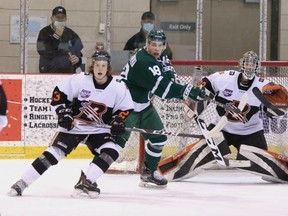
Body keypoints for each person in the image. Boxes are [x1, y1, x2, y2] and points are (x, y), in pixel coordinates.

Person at [8, 51, 134, 198]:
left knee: (111, 151)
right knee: (53, 154)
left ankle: (87, 181)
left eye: (104, 66)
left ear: (108, 68)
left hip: (98, 130)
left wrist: (118, 119)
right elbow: (58, 95)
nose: (100, 69)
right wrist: (63, 113)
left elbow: (126, 108)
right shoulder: (80, 80)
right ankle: (23, 182)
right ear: (93, 66)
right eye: (97, 65)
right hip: (75, 126)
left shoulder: (117, 87)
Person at [158, 50, 288, 183]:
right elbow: (206, 83)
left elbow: (278, 110)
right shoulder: (225, 78)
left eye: (253, 65)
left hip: (251, 132)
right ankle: (168, 170)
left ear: (257, 67)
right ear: (241, 64)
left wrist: (280, 104)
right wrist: (194, 99)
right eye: (247, 64)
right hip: (221, 129)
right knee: (203, 150)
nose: (249, 67)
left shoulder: (262, 86)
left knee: (258, 159)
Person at [118, 29, 205, 188]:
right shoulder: (145, 61)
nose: (156, 48)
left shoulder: (159, 55)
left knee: (159, 138)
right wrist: (188, 92)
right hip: (126, 107)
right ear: (147, 44)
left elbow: (169, 76)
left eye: (160, 45)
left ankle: (149, 172)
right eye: (153, 45)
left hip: (143, 106)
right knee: (115, 144)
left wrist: (180, 90)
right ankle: (90, 177)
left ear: (164, 46)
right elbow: (163, 89)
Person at [37, 6, 84, 73]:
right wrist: (56, 36)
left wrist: (78, 59)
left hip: (67, 74)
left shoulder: (71, 34)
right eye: (57, 17)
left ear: (66, 18)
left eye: (63, 17)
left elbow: (78, 51)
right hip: (48, 73)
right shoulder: (44, 32)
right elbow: (41, 50)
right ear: (52, 18)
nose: (60, 19)